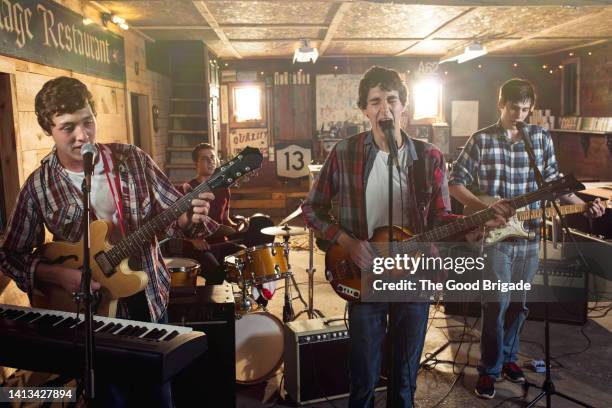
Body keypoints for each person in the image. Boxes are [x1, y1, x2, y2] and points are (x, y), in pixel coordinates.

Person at [0, 76, 218, 407]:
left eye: (88, 121)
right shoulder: (40, 186)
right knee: (110, 399)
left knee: (158, 398)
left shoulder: (132, 160)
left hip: (148, 300)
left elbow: (176, 216)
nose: (82, 135)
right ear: (48, 128)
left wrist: (191, 218)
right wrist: (58, 275)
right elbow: (10, 255)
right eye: (68, 127)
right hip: (89, 313)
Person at [302, 66, 509, 407]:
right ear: (364, 109)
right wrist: (347, 242)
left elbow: (441, 218)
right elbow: (313, 209)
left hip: (415, 276)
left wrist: (476, 222)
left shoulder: (429, 157)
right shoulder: (344, 153)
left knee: (405, 378)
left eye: (392, 100)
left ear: (404, 106)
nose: (384, 108)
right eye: (375, 101)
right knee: (363, 377)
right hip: (363, 276)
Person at [448, 78, 606, 399]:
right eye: (512, 108)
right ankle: (489, 371)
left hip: (529, 237)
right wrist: (485, 206)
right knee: (496, 304)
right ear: (501, 104)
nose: (518, 114)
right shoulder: (481, 140)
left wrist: (584, 205)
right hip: (494, 239)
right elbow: (455, 183)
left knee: (518, 306)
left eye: (524, 109)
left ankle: (508, 359)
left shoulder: (539, 138)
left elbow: (553, 183)